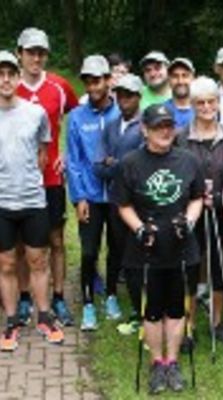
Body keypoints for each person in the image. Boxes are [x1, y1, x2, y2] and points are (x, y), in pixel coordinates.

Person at [114, 104, 204, 394]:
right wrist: (140, 228)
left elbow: (197, 197)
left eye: (168, 126)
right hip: (145, 250)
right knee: (152, 310)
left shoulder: (189, 160)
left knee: (177, 309)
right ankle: (156, 362)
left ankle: (172, 362)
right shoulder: (130, 163)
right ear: (145, 130)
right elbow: (123, 205)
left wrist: (189, 222)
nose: (165, 131)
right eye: (157, 127)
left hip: (180, 247)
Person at [0, 50, 64, 351]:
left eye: (10, 73)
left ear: (17, 76)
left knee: (38, 260)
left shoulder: (35, 113)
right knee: (7, 263)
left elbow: (43, 154)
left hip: (33, 200)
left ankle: (44, 315)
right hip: (2, 204)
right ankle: (12, 321)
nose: (5, 80)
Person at [15, 27, 79, 327]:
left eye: (41, 52)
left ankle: (58, 297)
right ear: (20, 54)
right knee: (18, 245)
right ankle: (25, 296)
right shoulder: (8, 86)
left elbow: (78, 120)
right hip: (16, 180)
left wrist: (67, 153)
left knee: (55, 240)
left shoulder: (59, 86)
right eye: (31, 52)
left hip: (51, 180)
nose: (36, 57)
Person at [176, 76, 223, 345]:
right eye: (199, 102)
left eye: (210, 101)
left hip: (222, 212)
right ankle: (188, 323)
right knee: (189, 267)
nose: (205, 107)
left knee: (218, 267)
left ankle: (217, 321)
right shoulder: (181, 139)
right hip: (190, 211)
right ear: (191, 104)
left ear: (218, 102)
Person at [66, 55, 120, 331]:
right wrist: (79, 198)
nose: (92, 86)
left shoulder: (121, 113)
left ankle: (111, 294)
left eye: (97, 80)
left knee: (117, 249)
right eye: (87, 81)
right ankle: (88, 302)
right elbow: (73, 160)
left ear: (109, 81)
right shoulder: (77, 116)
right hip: (90, 195)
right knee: (89, 252)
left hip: (117, 197)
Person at [93, 74, 144, 322]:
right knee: (117, 248)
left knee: (140, 250)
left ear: (138, 97)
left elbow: (143, 165)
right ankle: (114, 293)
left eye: (129, 95)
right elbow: (98, 167)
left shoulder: (147, 125)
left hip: (141, 201)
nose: (124, 99)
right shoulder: (111, 126)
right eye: (120, 94)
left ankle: (141, 302)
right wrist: (119, 165)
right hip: (116, 198)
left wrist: (116, 162)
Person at [165, 58, 196, 129]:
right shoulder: (162, 110)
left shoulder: (204, 109)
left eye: (185, 76)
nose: (180, 81)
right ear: (169, 80)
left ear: (193, 78)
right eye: (175, 76)